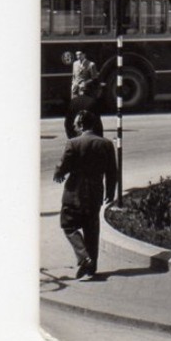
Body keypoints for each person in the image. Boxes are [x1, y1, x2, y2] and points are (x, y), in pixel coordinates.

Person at [52, 109, 119, 280]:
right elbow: (112, 171)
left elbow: (64, 165)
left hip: (75, 191)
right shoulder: (106, 144)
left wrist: (58, 173)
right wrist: (111, 192)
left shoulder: (73, 143)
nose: (73, 126)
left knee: (68, 225)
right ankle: (92, 267)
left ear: (81, 124)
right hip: (95, 192)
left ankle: (84, 257)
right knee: (91, 228)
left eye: (75, 123)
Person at [64, 50, 102, 138]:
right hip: (75, 89)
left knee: (85, 107)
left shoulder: (91, 64)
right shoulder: (75, 64)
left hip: (85, 90)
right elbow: (74, 76)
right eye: (77, 55)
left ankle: (86, 122)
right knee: (74, 106)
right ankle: (77, 123)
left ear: (84, 55)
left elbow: (94, 78)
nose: (78, 56)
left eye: (80, 54)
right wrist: (73, 85)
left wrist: (85, 83)